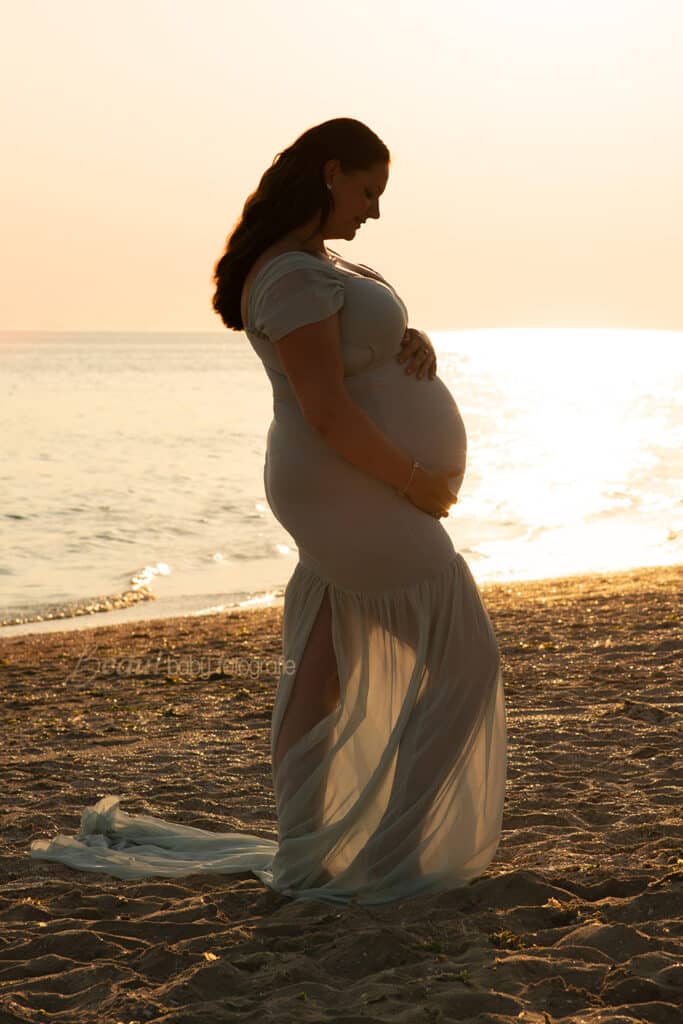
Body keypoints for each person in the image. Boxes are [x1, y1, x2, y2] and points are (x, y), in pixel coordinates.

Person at [30, 118, 507, 905]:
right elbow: (325, 409)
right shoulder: (288, 277)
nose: (375, 211)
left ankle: (308, 848)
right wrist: (418, 480)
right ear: (329, 173)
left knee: (319, 673)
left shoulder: (316, 268)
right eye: (367, 190)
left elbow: (352, 356)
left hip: (340, 492)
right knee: (464, 666)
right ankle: (395, 855)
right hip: (349, 488)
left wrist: (409, 341)